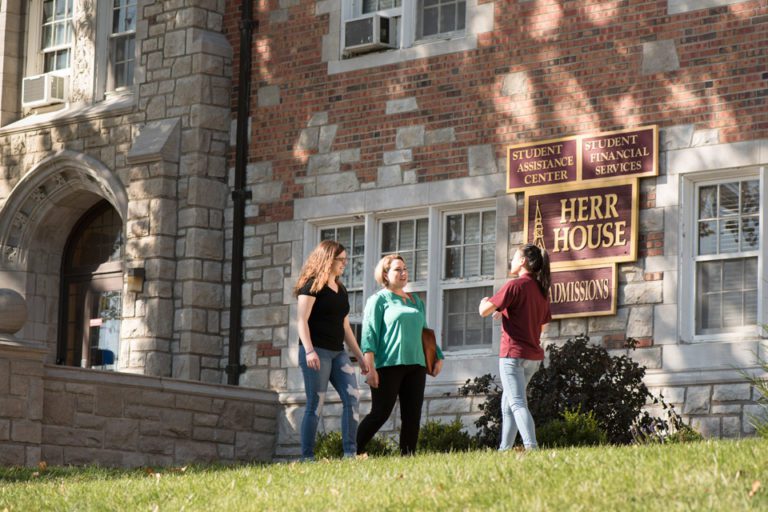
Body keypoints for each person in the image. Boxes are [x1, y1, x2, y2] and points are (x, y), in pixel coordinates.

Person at [357, 254, 444, 456]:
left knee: (412, 415)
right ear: (385, 274)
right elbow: (369, 334)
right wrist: (369, 367)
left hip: (416, 364)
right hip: (388, 364)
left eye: (405, 269)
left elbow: (424, 331)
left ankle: (408, 456)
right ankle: (352, 450)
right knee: (380, 413)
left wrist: (437, 356)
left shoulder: (415, 301)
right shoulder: (378, 300)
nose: (404, 273)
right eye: (398, 269)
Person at [294, 240, 368, 460]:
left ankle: (350, 453)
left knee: (352, 397)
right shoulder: (311, 286)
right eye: (341, 260)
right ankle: (307, 457)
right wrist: (309, 351)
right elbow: (301, 321)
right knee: (315, 405)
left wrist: (360, 356)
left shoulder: (341, 288)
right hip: (316, 351)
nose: (344, 263)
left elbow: (345, 327)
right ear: (327, 259)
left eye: (346, 259)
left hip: (338, 353)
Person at [478, 243, 552, 451]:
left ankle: (532, 447)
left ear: (523, 262)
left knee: (518, 403)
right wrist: (507, 312)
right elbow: (543, 325)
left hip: (512, 355)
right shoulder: (541, 290)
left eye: (514, 257)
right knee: (508, 404)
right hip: (533, 357)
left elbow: (484, 311)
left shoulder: (514, 285)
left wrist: (484, 300)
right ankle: (504, 450)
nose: (511, 261)